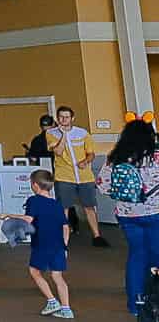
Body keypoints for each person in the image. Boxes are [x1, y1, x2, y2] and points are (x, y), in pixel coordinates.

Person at [96, 117, 159, 318]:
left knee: (136, 256)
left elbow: (103, 186)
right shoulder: (155, 156)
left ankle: (135, 304)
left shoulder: (115, 157)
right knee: (156, 255)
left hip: (127, 216)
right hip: (155, 213)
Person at [50, 105, 110, 247]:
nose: (64, 119)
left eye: (67, 117)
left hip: (84, 177)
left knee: (89, 206)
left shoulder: (82, 133)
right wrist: (64, 134)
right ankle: (63, 239)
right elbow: (58, 151)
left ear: (72, 118)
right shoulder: (51, 133)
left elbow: (91, 153)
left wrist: (86, 161)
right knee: (64, 207)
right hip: (64, 176)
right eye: (61, 117)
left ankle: (97, 236)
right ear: (57, 118)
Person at [21, 169, 73, 319]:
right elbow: (65, 227)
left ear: (35, 185)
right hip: (58, 245)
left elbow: (28, 220)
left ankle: (51, 301)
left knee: (34, 272)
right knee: (58, 277)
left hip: (42, 244)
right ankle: (66, 309)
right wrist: (65, 246)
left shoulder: (33, 200)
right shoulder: (57, 204)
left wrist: (8, 216)